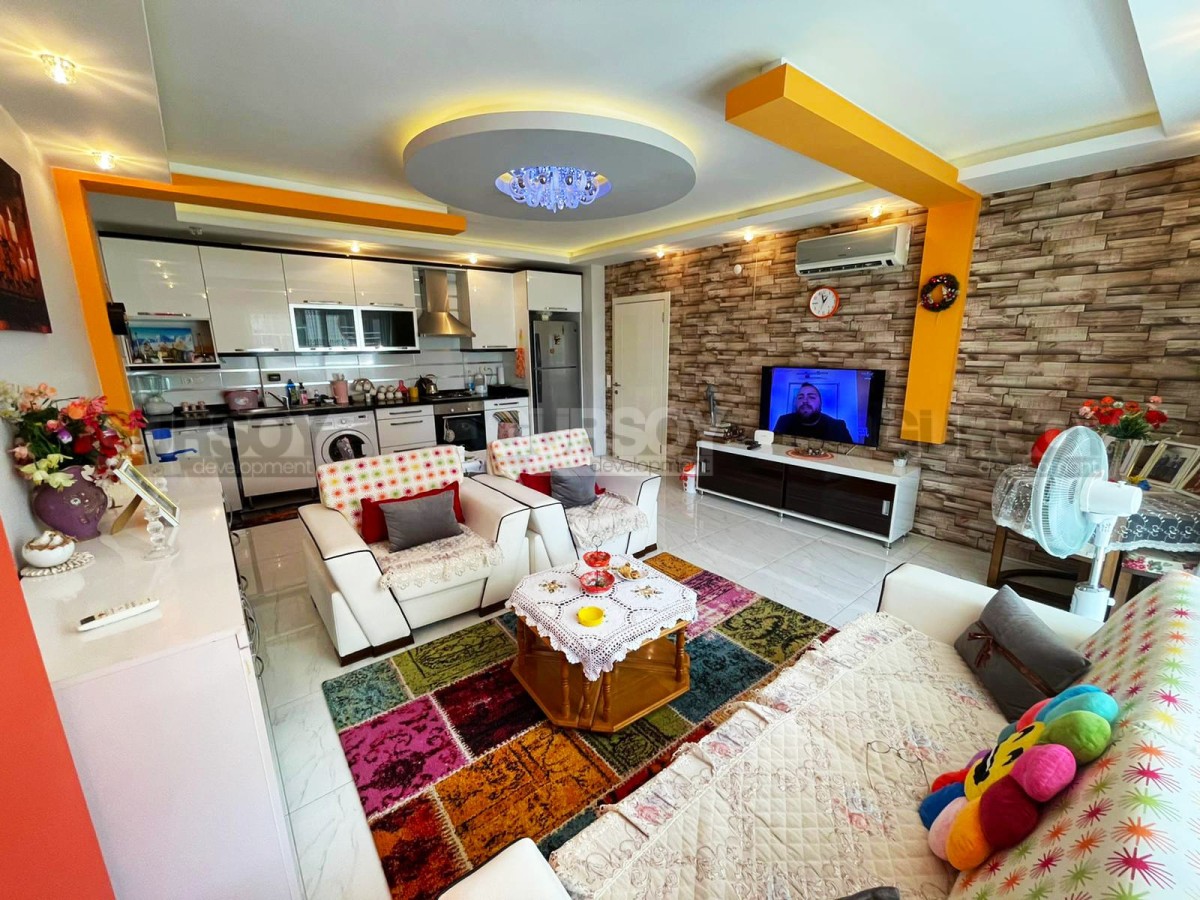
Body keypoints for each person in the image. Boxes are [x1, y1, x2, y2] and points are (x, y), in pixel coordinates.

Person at [773, 383, 853, 443]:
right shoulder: (784, 421)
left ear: (820, 403)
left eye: (811, 397)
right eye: (800, 397)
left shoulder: (837, 427)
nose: (805, 401)